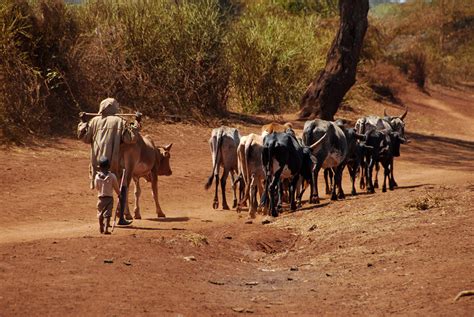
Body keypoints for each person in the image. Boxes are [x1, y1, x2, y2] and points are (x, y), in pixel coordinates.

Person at [77, 97, 141, 189]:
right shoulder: (120, 121)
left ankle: (94, 182)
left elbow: (84, 138)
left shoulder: (94, 121)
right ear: (111, 107)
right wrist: (137, 121)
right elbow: (130, 139)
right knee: (117, 187)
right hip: (114, 164)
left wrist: (83, 122)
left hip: (97, 163)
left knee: (102, 192)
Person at [95, 157, 120, 234]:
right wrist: (119, 194)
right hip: (109, 198)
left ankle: (101, 227)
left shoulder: (97, 176)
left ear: (99, 167)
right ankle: (106, 228)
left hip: (100, 198)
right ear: (108, 166)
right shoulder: (112, 176)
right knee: (107, 214)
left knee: (100, 214)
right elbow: (116, 186)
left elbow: (96, 187)